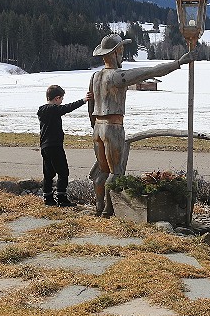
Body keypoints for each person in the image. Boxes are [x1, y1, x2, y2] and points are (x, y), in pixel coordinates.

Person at [88, 33, 194, 216]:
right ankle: (108, 209)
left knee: (102, 171)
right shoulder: (116, 76)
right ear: (116, 53)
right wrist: (178, 63)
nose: (122, 55)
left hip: (98, 127)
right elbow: (150, 72)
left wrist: (94, 125)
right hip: (113, 127)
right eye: (121, 51)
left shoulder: (96, 76)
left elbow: (91, 103)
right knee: (115, 171)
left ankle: (99, 205)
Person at [37, 84, 92, 207]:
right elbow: (68, 108)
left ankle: (48, 198)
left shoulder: (42, 110)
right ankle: (61, 198)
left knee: (48, 173)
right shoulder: (53, 109)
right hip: (54, 146)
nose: (62, 102)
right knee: (63, 172)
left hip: (44, 146)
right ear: (57, 98)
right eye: (61, 99)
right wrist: (84, 100)